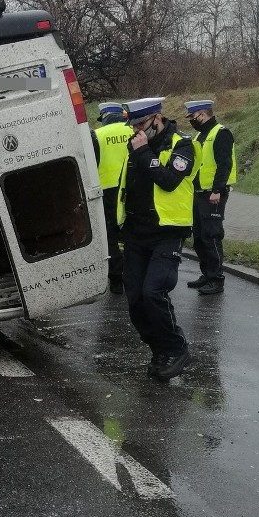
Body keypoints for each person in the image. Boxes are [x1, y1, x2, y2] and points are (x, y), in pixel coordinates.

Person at [116, 97, 198, 381]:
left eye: (141, 124)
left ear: (157, 118)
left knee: (154, 292)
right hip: (136, 232)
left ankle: (176, 348)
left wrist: (144, 153)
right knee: (136, 300)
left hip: (167, 232)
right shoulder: (137, 145)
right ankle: (159, 349)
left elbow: (168, 180)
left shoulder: (183, 145)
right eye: (133, 125)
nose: (136, 130)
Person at [184, 99, 236, 296]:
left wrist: (217, 190)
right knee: (199, 237)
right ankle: (207, 274)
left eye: (193, 117)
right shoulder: (200, 135)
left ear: (202, 115)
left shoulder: (221, 133)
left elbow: (225, 165)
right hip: (198, 193)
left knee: (211, 236)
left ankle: (216, 279)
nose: (192, 120)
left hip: (213, 195)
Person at [91, 102, 132, 293]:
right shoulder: (134, 130)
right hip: (133, 189)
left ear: (104, 116)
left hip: (107, 192)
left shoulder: (98, 135)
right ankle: (135, 274)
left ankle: (116, 279)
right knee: (132, 232)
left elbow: (91, 165)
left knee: (111, 235)